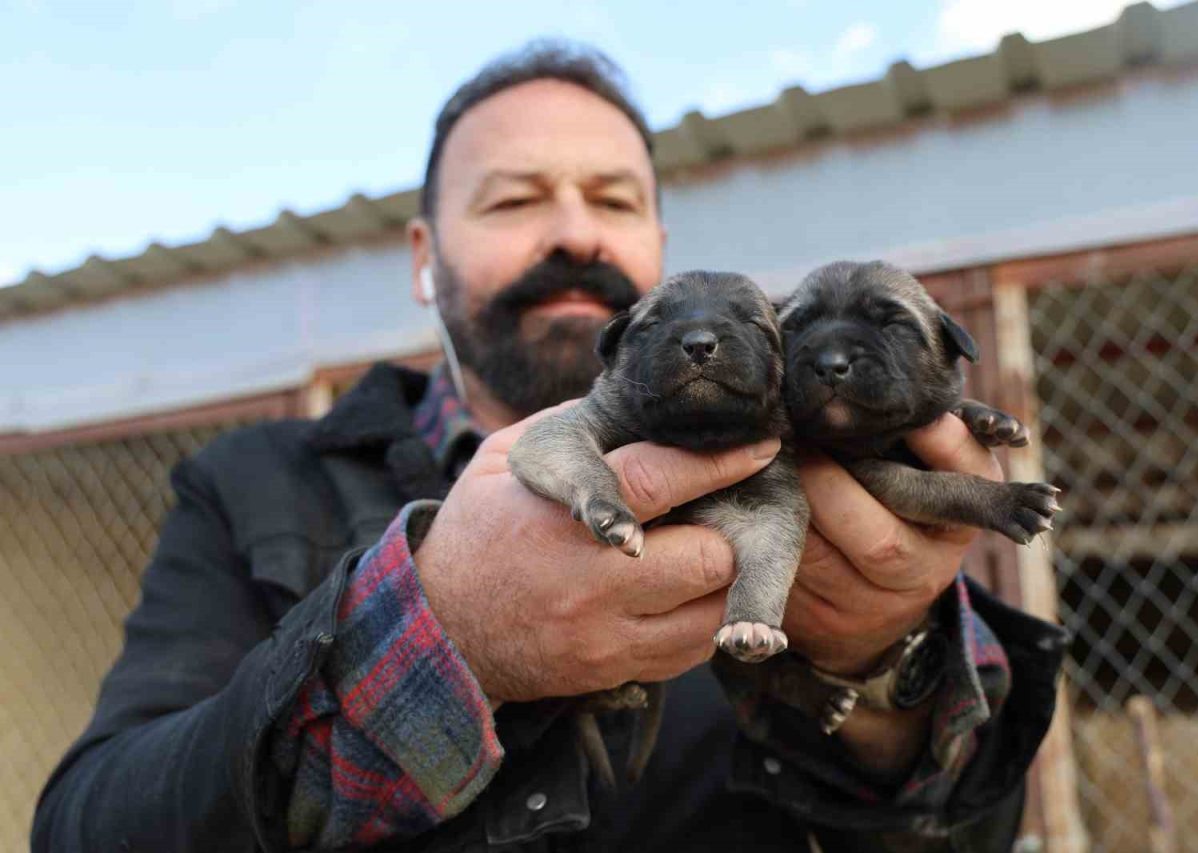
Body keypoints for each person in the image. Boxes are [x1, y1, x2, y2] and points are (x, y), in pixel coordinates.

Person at [32, 42, 1066, 852]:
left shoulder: (819, 458)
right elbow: (92, 825)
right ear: (423, 258)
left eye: (615, 199)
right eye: (514, 199)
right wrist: (447, 641)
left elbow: (966, 831)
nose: (575, 234)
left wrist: (883, 669)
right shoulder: (252, 482)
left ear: (661, 249)